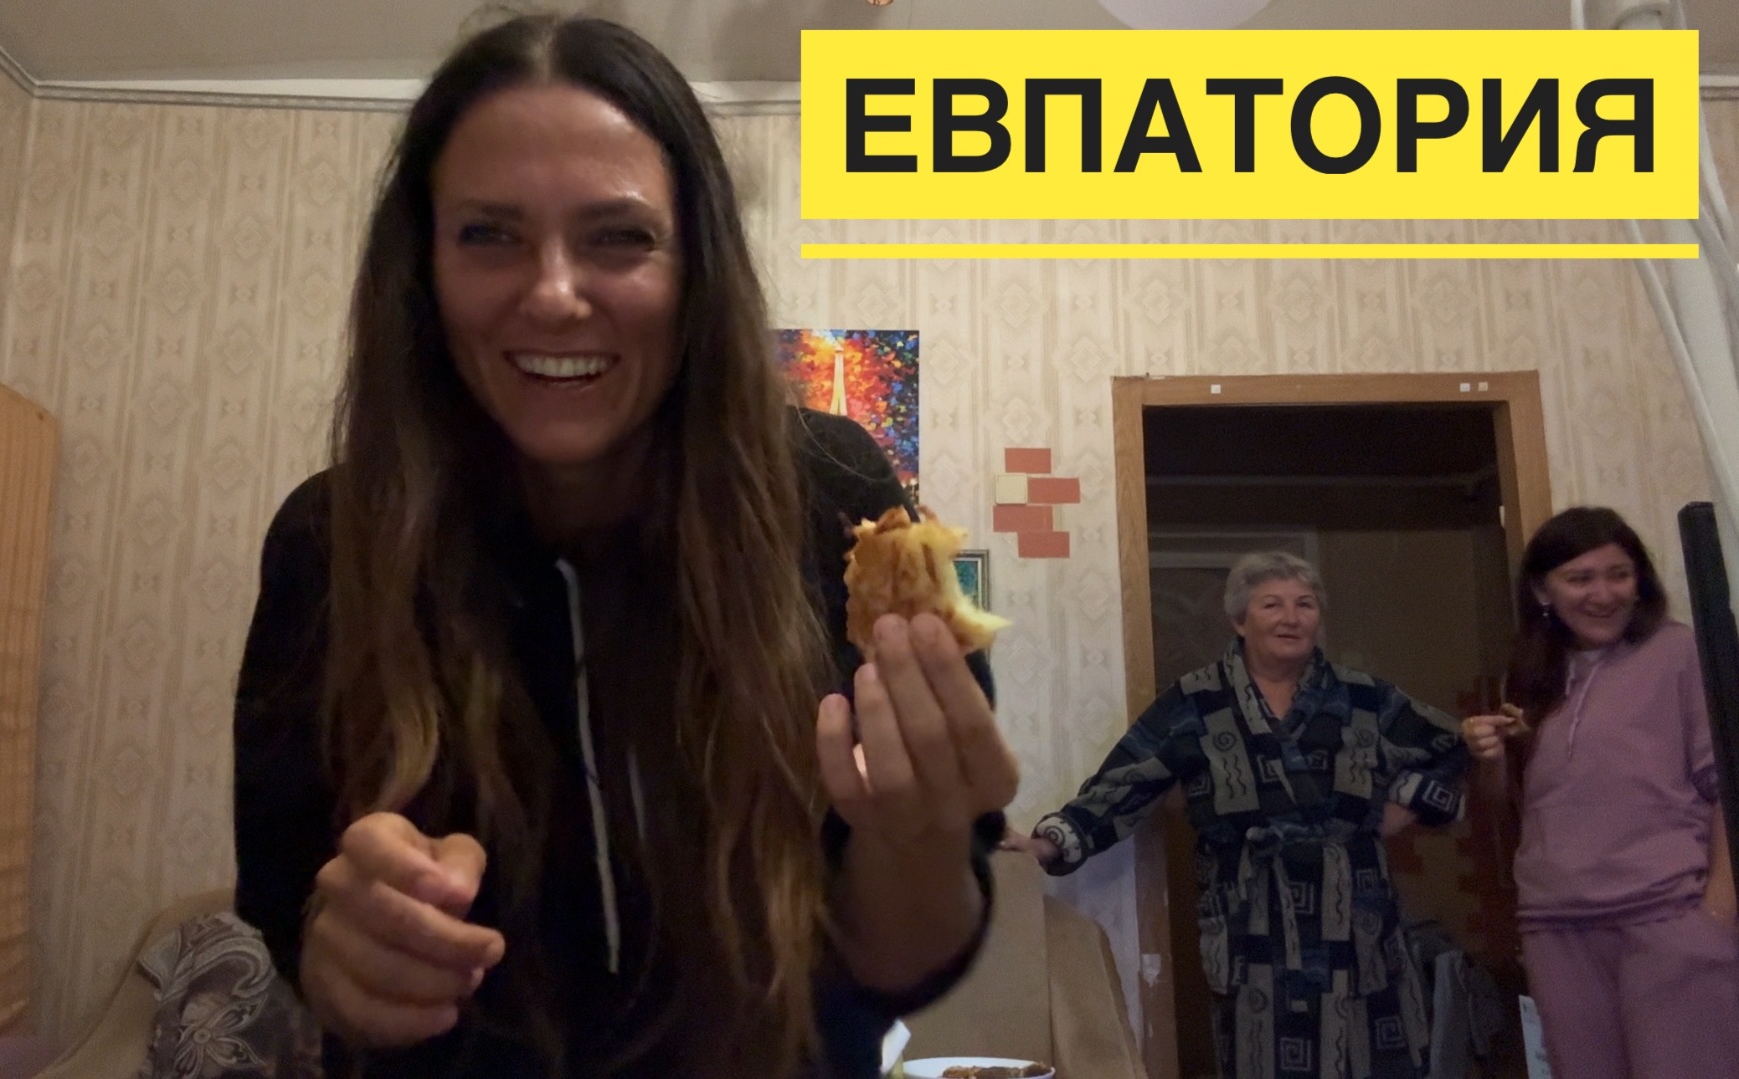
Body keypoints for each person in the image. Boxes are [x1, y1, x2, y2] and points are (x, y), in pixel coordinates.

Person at [230, 15, 1016, 1079]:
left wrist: (917, 837)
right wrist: (344, 954)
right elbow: (289, 912)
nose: (554, 293)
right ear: (422, 270)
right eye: (489, 234)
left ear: (698, 271)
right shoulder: (328, 544)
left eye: (620, 236)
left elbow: (897, 960)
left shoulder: (834, 494)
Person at [1006, 551, 1467, 1079]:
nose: (1291, 618)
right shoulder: (1196, 702)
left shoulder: (1363, 696)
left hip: (1356, 915)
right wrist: (1047, 843)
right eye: (1272, 605)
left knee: (1373, 1056)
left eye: (1305, 604)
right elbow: (1126, 783)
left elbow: (1451, 745)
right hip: (1253, 917)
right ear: (1239, 620)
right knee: (1262, 1055)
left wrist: (1405, 802)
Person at [1461, 507, 1737, 1079]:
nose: (1603, 594)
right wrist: (1490, 760)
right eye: (1580, 578)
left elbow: (1727, 790)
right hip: (1555, 927)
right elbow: (1520, 809)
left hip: (1665, 917)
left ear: (1640, 581)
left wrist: (1717, 914)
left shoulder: (1679, 652)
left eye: (1619, 575)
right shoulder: (1529, 675)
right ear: (1544, 591)